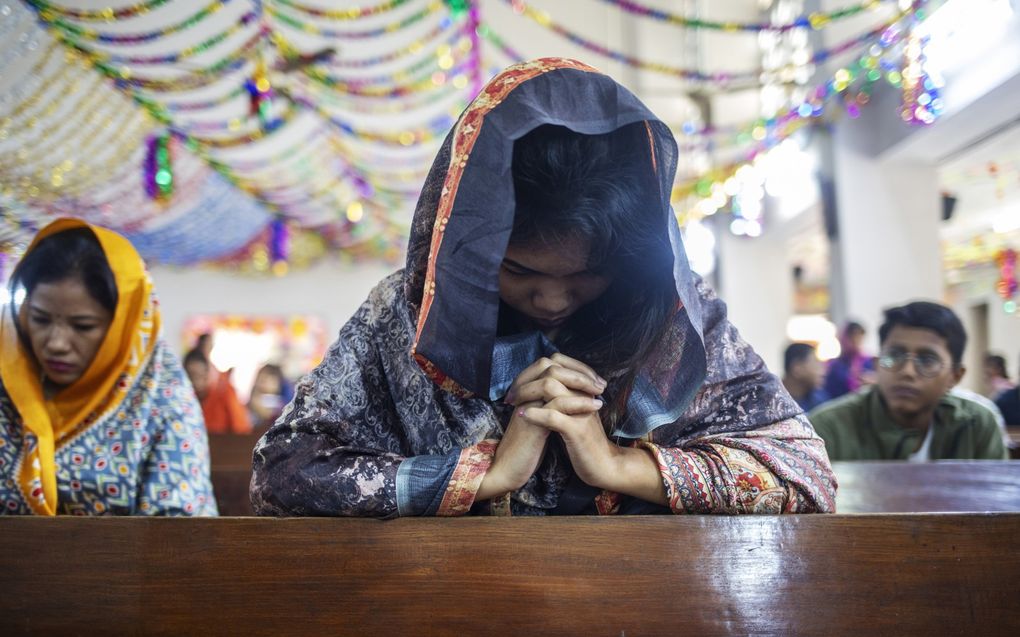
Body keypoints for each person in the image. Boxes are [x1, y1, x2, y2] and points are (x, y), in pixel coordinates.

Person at [250, 58, 836, 517]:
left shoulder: (677, 318)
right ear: (466, 253)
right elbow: (282, 474)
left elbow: (805, 476)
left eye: (586, 274)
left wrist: (616, 466)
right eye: (519, 272)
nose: (553, 301)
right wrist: (486, 474)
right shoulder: (404, 314)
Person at [0, 218, 217, 515]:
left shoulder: (163, 399)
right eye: (40, 319)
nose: (56, 343)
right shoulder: (8, 379)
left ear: (124, 326)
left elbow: (178, 537)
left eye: (83, 326)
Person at [809, 301, 1007, 461]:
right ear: (877, 365)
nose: (907, 371)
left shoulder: (976, 424)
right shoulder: (828, 429)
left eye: (927, 360)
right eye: (894, 356)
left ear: (955, 375)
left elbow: (999, 507)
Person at [184, 349, 252, 435]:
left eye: (200, 375)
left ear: (208, 373)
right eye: (192, 376)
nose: (197, 382)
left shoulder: (225, 393)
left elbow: (242, 429)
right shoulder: (182, 401)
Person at [823, 321, 875, 400]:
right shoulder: (833, 366)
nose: (856, 344)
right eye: (853, 339)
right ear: (843, 339)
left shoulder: (869, 362)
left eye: (859, 340)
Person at [782, 342, 830, 412]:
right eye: (816, 363)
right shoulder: (773, 402)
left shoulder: (821, 400)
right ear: (797, 368)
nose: (824, 371)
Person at [248, 363, 292, 429]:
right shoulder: (250, 403)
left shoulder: (283, 405)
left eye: (268, 379)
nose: (263, 384)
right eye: (260, 379)